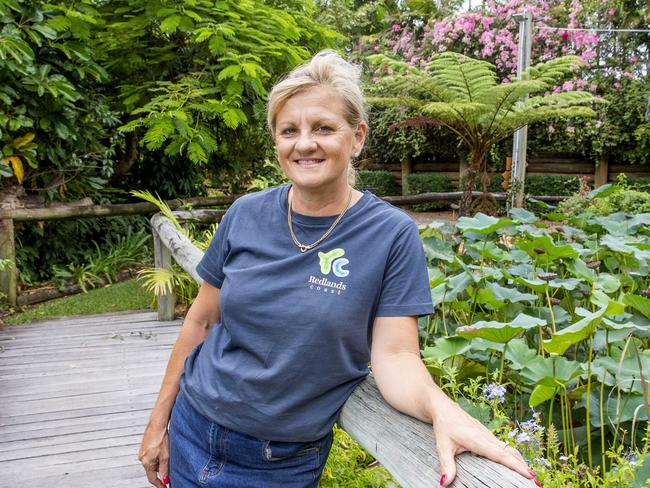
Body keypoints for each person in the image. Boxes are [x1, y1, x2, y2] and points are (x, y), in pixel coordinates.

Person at [138, 50, 539, 488]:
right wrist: (159, 421)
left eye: (323, 128)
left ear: (358, 137)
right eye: (289, 130)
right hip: (192, 427)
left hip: (279, 462)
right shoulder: (245, 214)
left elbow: (396, 355)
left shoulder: (390, 235)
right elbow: (200, 319)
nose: (304, 143)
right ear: (276, 141)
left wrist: (444, 409)